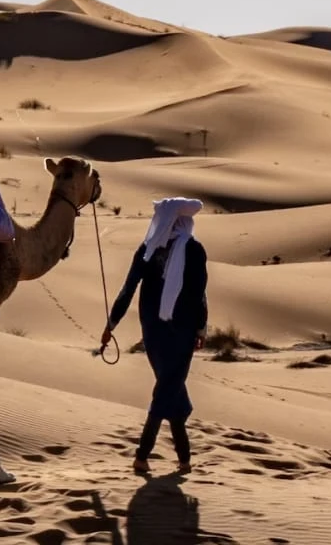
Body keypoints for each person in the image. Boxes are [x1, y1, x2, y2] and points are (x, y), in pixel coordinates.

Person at [102, 197, 209, 477]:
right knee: (167, 389)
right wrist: (200, 329)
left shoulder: (148, 250)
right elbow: (199, 294)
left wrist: (111, 323)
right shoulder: (194, 249)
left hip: (152, 332)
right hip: (181, 332)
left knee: (171, 387)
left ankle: (185, 459)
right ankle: (141, 455)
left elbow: (128, 289)